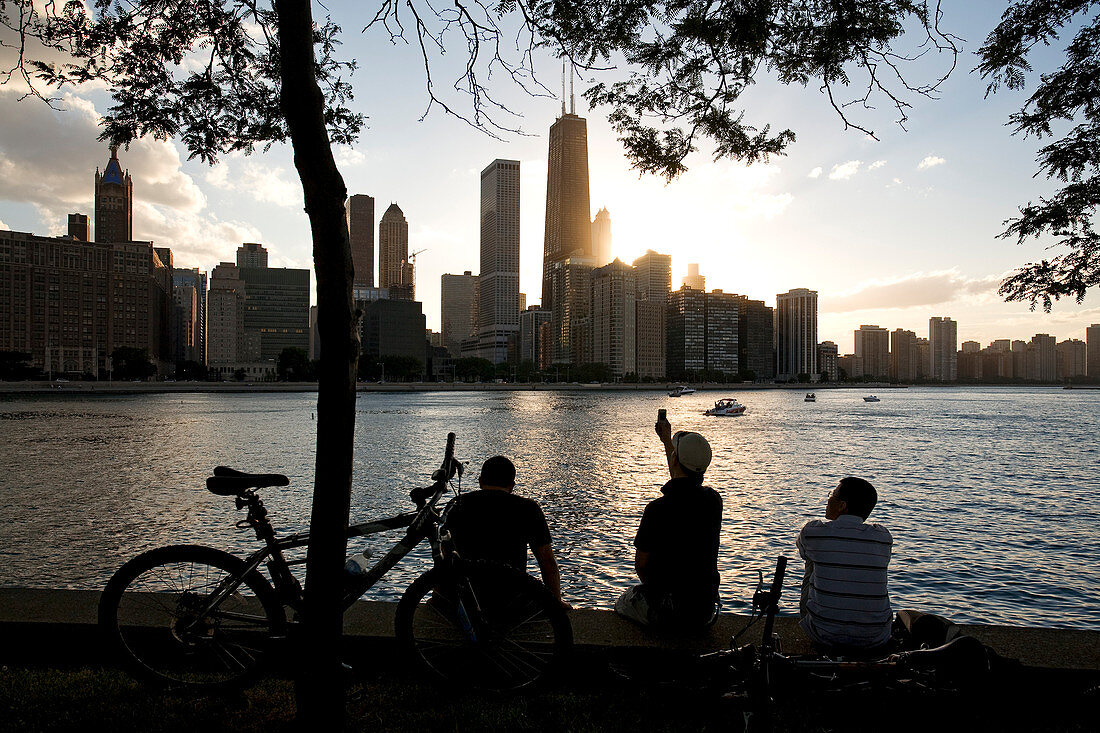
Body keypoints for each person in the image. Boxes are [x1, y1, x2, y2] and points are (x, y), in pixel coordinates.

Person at [615, 416, 722, 629]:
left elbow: (641, 565)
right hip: (704, 610)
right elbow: (683, 478)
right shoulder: (713, 501)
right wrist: (666, 442)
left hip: (668, 612)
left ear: (674, 461)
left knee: (623, 602)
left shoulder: (656, 509)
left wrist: (657, 593)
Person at [445, 455, 569, 609]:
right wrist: (556, 602)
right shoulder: (528, 509)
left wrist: (439, 598)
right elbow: (547, 563)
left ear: (480, 481)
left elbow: (445, 558)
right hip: (512, 601)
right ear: (512, 485)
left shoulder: (457, 504)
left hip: (466, 602)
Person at [797, 477, 893, 651]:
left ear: (842, 506)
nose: (828, 499)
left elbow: (803, 551)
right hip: (877, 638)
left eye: (832, 495)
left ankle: (827, 621)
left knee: (812, 561)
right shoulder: (883, 537)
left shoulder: (814, 532)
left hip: (824, 636)